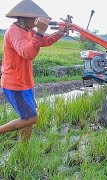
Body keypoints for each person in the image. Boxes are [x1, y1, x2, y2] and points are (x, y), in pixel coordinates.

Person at [0, 0, 67, 141]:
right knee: (32, 118)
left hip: (25, 82)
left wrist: (60, 32)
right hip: (14, 84)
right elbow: (27, 53)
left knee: (27, 118)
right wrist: (40, 31)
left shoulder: (28, 30)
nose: (38, 22)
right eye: (36, 19)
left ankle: (24, 148)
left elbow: (45, 40)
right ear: (25, 18)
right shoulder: (14, 32)